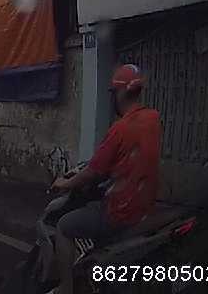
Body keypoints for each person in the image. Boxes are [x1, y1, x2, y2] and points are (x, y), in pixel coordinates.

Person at [49, 64, 161, 294]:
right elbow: (131, 157)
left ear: (120, 93)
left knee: (64, 226)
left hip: (121, 211)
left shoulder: (120, 129)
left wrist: (64, 183)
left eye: (113, 93)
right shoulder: (153, 119)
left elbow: (92, 172)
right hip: (146, 205)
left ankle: (66, 288)